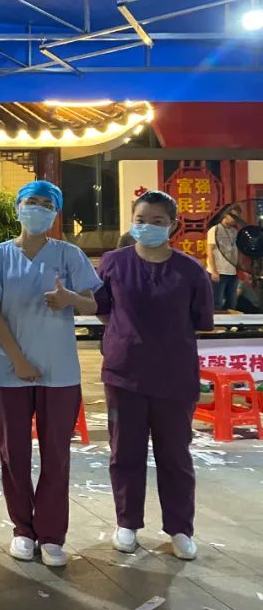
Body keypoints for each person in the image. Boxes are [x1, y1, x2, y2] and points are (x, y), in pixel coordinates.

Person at [0, 181, 101, 567]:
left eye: (46, 204)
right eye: (31, 201)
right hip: (9, 368)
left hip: (58, 370)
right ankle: (23, 530)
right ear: (18, 207)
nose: (38, 208)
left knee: (56, 454)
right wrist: (19, 360)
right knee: (13, 454)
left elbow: (91, 304)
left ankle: (52, 533)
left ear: (55, 213)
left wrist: (69, 298)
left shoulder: (69, 255)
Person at [95, 190, 213, 561]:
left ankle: (180, 528)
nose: (148, 227)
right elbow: (102, 308)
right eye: (141, 220)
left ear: (172, 226)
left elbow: (201, 321)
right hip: (124, 374)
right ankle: (127, 523)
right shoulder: (113, 263)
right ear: (132, 221)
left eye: (158, 221)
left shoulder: (190, 270)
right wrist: (124, 335)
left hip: (174, 377)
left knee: (175, 455)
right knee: (125, 452)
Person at [207, 204, 242, 312]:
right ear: (226, 215)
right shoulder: (214, 230)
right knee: (216, 303)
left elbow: (235, 251)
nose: (235, 220)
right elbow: (210, 251)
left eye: (237, 217)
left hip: (232, 272)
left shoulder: (234, 232)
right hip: (219, 272)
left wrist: (240, 267)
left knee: (232, 303)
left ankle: (230, 323)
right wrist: (214, 271)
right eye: (233, 216)